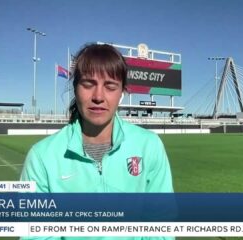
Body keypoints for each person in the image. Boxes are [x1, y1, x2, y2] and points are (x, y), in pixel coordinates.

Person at [20, 43, 174, 239]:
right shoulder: (42, 156)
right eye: (88, 84)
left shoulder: (149, 146)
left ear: (122, 93)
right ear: (75, 88)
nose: (98, 97)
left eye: (110, 86)